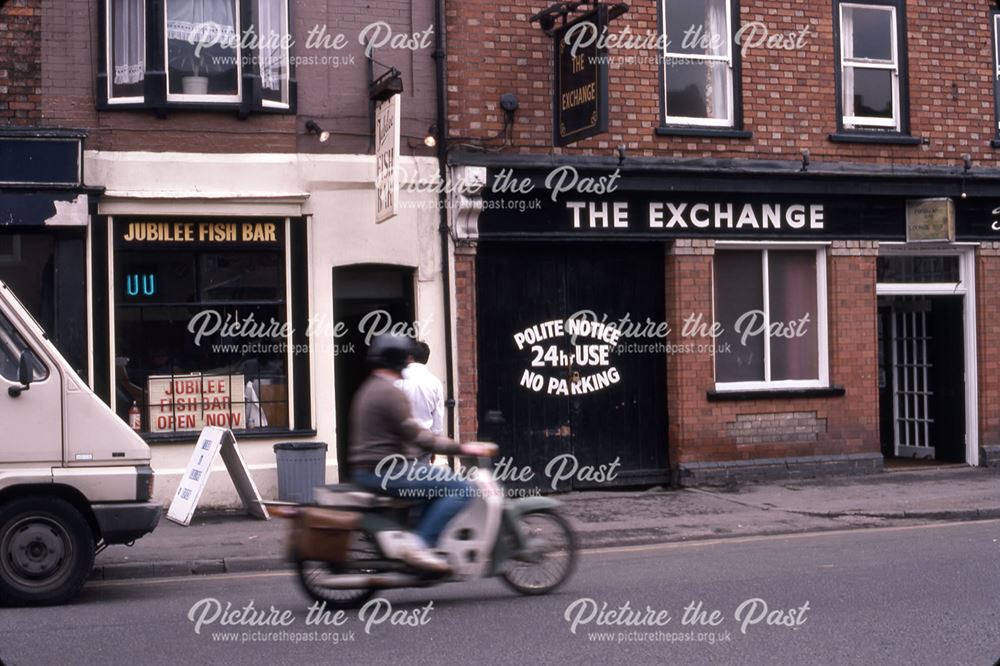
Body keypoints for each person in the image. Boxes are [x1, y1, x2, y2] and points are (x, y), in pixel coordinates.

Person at [348, 333, 493, 573]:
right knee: (461, 488)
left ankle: (418, 537)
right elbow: (419, 435)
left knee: (432, 488)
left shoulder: (369, 388)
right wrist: (461, 447)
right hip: (386, 470)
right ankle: (420, 547)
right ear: (398, 360)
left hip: (370, 468)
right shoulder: (389, 392)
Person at [394, 340, 446, 463]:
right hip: (425, 442)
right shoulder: (435, 383)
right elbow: (438, 422)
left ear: (409, 357)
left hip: (402, 442)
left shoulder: (397, 379)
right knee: (421, 478)